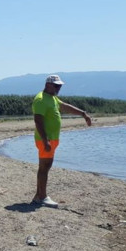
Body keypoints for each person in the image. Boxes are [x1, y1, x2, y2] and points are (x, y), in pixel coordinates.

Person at [32, 75, 92, 207]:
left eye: (60, 86)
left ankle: (38, 195)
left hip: (52, 139)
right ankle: (42, 197)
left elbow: (65, 107)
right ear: (48, 85)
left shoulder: (52, 98)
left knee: (45, 166)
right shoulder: (41, 99)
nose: (59, 88)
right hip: (45, 140)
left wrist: (83, 114)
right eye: (56, 86)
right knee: (44, 167)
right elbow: (38, 121)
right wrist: (45, 140)